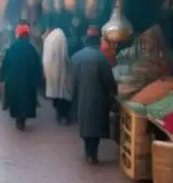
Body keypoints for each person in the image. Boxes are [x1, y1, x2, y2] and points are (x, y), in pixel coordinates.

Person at [71, 27, 117, 165]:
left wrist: (74, 96)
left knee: (85, 127)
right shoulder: (102, 58)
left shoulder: (76, 58)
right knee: (95, 129)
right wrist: (114, 92)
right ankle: (92, 153)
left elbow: (73, 81)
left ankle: (88, 151)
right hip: (98, 99)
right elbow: (109, 81)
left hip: (82, 98)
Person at [0, 24, 42, 131]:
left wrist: (3, 77)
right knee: (26, 101)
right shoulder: (32, 49)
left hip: (15, 82)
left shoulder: (12, 48)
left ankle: (19, 120)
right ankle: (22, 121)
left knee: (17, 101)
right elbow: (37, 66)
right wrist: (38, 81)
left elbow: (6, 64)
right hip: (28, 82)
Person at [42, 27, 73, 125]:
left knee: (56, 93)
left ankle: (60, 115)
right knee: (63, 93)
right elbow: (64, 55)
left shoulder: (50, 38)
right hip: (60, 69)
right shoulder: (60, 36)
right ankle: (63, 116)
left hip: (51, 70)